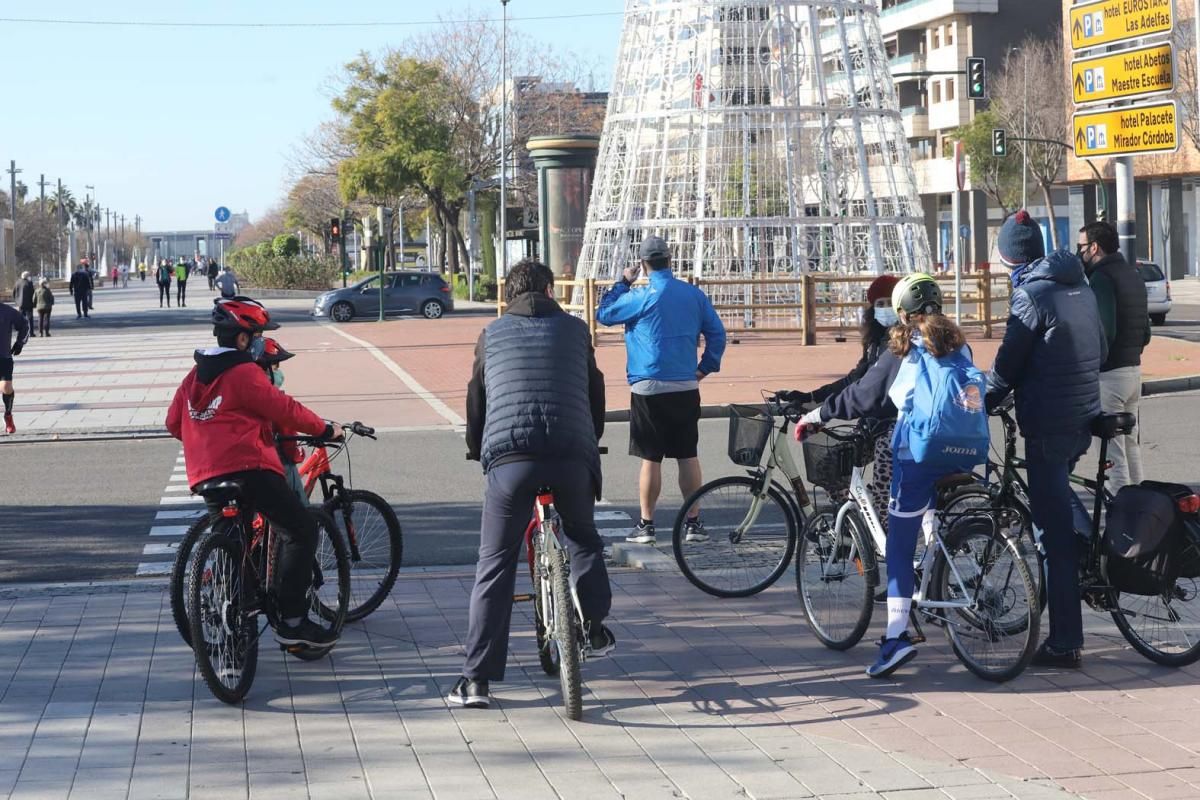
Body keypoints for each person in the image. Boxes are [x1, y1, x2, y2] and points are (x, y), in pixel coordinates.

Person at [796, 273, 987, 678]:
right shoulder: (959, 341)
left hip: (916, 453)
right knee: (931, 514)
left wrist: (815, 415)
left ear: (902, 312)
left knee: (899, 546)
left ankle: (896, 638)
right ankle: (937, 575)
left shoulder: (903, 347)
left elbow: (862, 396)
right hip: (963, 452)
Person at [455, 259, 613, 709]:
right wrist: (590, 439)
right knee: (583, 538)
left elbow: (477, 399)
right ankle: (595, 626)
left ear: (510, 294)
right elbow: (594, 391)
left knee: (495, 561)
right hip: (571, 452)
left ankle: (476, 681)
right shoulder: (576, 331)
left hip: (510, 459)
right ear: (548, 289)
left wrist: (477, 446)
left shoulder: (492, 334)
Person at [165, 297, 343, 649]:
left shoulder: (192, 376)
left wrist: (206, 437)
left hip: (206, 474)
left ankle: (241, 606)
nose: (261, 343)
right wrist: (324, 428)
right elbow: (283, 408)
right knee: (300, 529)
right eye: (258, 335)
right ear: (243, 339)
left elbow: (173, 422)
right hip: (249, 468)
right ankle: (292, 621)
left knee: (235, 538)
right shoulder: (244, 372)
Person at [987, 211, 1106, 669]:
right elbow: (1101, 343)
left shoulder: (1030, 296)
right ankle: (1086, 546)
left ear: (1009, 258)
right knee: (1059, 495)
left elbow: (1007, 366)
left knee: (1049, 535)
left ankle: (1065, 643)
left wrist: (981, 399)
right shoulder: (1080, 285)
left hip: (1048, 423)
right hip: (1082, 414)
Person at [595, 235, 727, 545]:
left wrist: (622, 283)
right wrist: (704, 368)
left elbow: (605, 313)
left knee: (650, 457)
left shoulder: (640, 296)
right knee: (687, 454)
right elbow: (717, 335)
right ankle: (693, 523)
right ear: (670, 260)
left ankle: (646, 525)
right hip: (685, 383)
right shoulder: (693, 295)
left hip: (648, 385)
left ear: (642, 265)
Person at [781, 274, 900, 522]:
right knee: (827, 467)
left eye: (890, 302)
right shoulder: (876, 340)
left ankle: (881, 534)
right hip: (871, 426)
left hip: (896, 429)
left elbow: (869, 391)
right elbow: (854, 380)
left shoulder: (901, 342)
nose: (885, 309)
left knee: (881, 494)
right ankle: (860, 521)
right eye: (879, 304)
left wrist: (825, 412)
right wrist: (811, 396)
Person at [1076, 221, 1149, 492]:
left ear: (1094, 248)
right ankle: (1140, 507)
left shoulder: (1101, 279)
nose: (1079, 252)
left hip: (1109, 377)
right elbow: (1146, 333)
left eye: (1081, 246)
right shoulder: (1132, 275)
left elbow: (1104, 332)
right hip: (1133, 371)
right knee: (1131, 447)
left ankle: (1121, 516)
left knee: (1113, 454)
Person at [255, 337, 307, 503]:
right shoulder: (272, 399)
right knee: (300, 514)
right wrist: (296, 456)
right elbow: (288, 434)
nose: (278, 371)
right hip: (273, 462)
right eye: (275, 366)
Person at [1, 295, 29, 434]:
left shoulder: (7, 311)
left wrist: (20, 343)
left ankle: (8, 416)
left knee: (6, 387)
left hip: (4, 357)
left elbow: (24, 324)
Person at [12, 271, 36, 338]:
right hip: (29, 304)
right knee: (30, 319)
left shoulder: (17, 283)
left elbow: (14, 293)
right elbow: (33, 293)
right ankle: (31, 333)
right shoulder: (29, 283)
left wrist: (16, 301)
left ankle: (21, 333)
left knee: (21, 319)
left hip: (20, 304)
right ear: (27, 276)